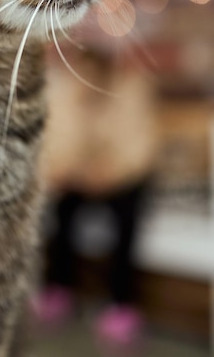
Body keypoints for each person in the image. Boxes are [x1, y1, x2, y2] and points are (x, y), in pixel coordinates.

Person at [33, 46, 157, 346]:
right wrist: (73, 171)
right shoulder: (66, 95)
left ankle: (123, 304)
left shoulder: (133, 89)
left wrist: (109, 173)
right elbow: (57, 144)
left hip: (124, 180)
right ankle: (58, 288)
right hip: (80, 179)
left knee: (127, 227)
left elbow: (140, 147)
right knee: (62, 218)